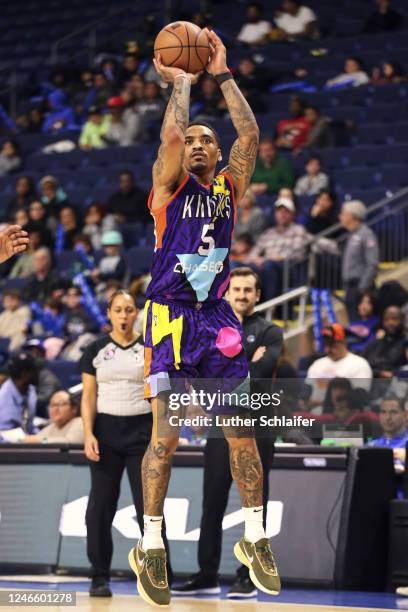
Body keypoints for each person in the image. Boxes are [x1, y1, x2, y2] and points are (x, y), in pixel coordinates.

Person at [128, 28, 280, 608]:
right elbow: (169, 132)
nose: (194, 144)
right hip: (167, 317)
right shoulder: (166, 189)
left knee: (241, 433)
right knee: (165, 442)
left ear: (216, 156)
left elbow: (251, 132)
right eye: (189, 140)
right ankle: (151, 543)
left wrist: (221, 70)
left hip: (216, 318)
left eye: (204, 141)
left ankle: (256, 536)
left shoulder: (230, 187)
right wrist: (184, 84)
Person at [173, 268, 283, 598]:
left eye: (249, 290)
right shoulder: (212, 328)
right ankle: (206, 574)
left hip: (258, 427)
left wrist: (227, 367)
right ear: (226, 292)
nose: (242, 295)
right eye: (237, 289)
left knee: (255, 502)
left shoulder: (270, 331)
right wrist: (244, 362)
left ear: (258, 295)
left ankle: (249, 576)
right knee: (212, 502)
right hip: (220, 427)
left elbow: (262, 375)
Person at [80, 290, 171, 597]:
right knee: (100, 508)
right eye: (118, 310)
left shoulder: (150, 348)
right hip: (106, 434)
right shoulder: (94, 349)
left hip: (141, 434)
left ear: (136, 314)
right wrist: (89, 433)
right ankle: (99, 575)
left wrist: (162, 434)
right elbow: (88, 396)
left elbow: (160, 395)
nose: (123, 315)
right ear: (109, 313)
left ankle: (159, 572)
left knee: (150, 506)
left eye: (129, 310)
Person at [248, 197, 310, 300]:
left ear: (293, 214)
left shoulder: (298, 230)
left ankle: (268, 308)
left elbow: (299, 253)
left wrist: (280, 257)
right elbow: (252, 254)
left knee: (269, 266)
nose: (282, 214)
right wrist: (255, 259)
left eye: (286, 211)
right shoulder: (269, 233)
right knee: (240, 267)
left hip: (287, 268)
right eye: (279, 211)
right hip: (266, 266)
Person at [305, 324, 373, 410]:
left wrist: (322, 403)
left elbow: (360, 398)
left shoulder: (359, 363)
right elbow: (307, 389)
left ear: (343, 342)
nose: (327, 350)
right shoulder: (317, 364)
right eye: (326, 345)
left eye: (332, 345)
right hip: (314, 416)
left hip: (343, 417)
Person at [339, 200, 379, 321]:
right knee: (353, 324)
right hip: (350, 288)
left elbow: (372, 263)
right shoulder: (351, 235)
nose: (340, 216)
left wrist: (363, 289)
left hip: (360, 288)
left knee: (361, 326)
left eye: (343, 213)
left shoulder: (366, 234)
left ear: (352, 216)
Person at [0, 353, 38, 436]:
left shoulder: (31, 390)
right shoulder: (4, 397)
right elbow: (3, 433)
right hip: (8, 445)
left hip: (27, 439)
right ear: (23, 374)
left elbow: (29, 426)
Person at [23, 338, 61, 419]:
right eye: (29, 353)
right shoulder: (23, 373)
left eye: (36, 353)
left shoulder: (48, 377)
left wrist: (21, 402)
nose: (32, 356)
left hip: (45, 417)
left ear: (42, 355)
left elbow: (42, 401)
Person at [364, 306, 406, 379]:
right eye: (386, 320)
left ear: (402, 320)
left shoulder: (405, 343)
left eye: (394, 319)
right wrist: (379, 373)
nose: (390, 322)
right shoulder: (375, 343)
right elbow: (363, 363)